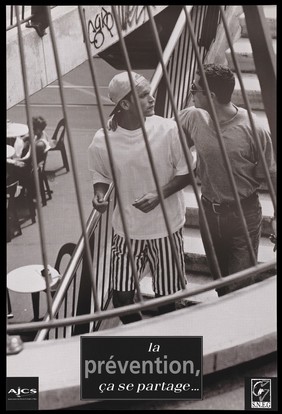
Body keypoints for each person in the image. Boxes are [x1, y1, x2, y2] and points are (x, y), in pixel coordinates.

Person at [88, 71, 196, 324]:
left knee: (167, 300)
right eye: (144, 95)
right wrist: (99, 195)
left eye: (150, 93)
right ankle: (143, 337)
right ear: (124, 104)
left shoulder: (168, 129)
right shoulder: (104, 139)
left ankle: (162, 345)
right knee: (122, 299)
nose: (152, 98)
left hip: (167, 229)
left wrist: (159, 195)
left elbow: (188, 173)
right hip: (126, 230)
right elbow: (100, 174)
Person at [178, 63, 276, 296]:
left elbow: (271, 176)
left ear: (210, 96)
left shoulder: (253, 129)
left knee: (239, 288)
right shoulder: (192, 118)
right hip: (208, 212)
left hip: (244, 214)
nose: (191, 93)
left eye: (194, 88)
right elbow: (161, 134)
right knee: (221, 286)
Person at [7, 116, 51, 198]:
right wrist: (22, 139)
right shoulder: (42, 134)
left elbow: (27, 161)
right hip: (33, 163)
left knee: (8, 165)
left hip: (29, 169)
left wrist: (13, 160)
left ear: (37, 129)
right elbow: (29, 136)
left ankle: (12, 190)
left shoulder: (39, 145)